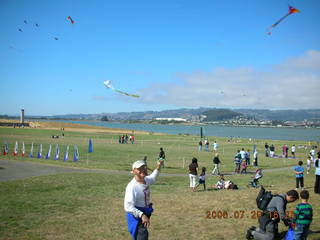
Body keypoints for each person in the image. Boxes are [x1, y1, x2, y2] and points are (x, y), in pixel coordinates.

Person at [124, 159, 163, 240]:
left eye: (144, 167)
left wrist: (158, 166)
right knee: (142, 236)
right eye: (139, 169)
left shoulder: (146, 180)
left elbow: (153, 178)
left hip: (145, 213)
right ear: (133, 171)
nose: (143, 170)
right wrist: (142, 215)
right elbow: (128, 207)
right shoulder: (132, 187)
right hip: (135, 217)